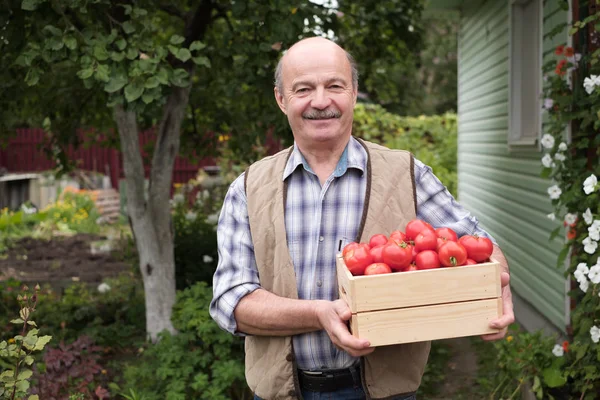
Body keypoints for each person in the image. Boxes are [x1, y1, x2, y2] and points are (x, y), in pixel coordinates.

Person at [209, 37, 514, 400]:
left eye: (334, 86)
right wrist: (319, 314)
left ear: (353, 92)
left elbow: (480, 244)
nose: (321, 101)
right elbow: (232, 300)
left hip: (386, 393)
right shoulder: (248, 188)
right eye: (303, 89)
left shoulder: (406, 173)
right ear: (281, 99)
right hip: (282, 392)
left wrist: (499, 286)